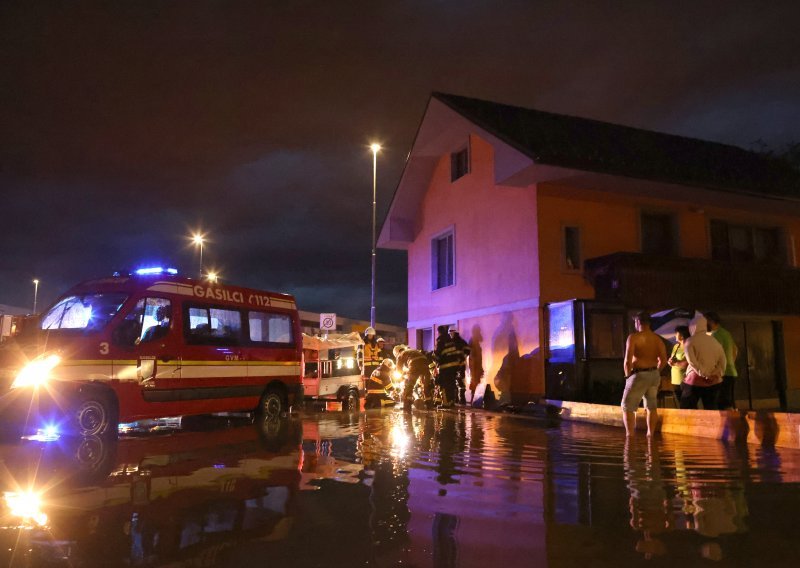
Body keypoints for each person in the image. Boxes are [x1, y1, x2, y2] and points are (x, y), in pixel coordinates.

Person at [621, 312, 667, 437]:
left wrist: (627, 376)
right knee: (651, 406)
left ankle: (629, 436)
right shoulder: (657, 339)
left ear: (638, 322)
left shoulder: (633, 338)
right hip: (653, 375)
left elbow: (627, 361)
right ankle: (650, 435)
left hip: (639, 375)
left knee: (627, 406)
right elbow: (664, 359)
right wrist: (657, 371)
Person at [681, 317, 726, 410]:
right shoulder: (715, 341)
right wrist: (717, 373)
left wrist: (704, 374)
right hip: (714, 381)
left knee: (688, 410)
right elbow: (723, 361)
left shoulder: (689, 341)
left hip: (694, 382)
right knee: (711, 409)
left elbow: (692, 362)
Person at [705, 312, 739, 410]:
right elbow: (735, 350)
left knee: (722, 404)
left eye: (705, 322)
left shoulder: (716, 336)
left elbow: (713, 355)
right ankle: (734, 423)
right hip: (730, 372)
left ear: (711, 321)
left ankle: (729, 424)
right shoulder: (726, 333)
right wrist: (730, 363)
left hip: (722, 373)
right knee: (728, 402)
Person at [396, 345, 434, 412]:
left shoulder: (400, 354)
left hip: (414, 365)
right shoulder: (413, 351)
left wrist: (400, 377)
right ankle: (429, 405)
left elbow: (398, 369)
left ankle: (407, 406)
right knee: (426, 385)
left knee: (409, 386)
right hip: (425, 364)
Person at [668, 325, 690, 401]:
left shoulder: (688, 346)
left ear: (682, 335)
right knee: (680, 403)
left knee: (686, 404)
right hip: (675, 379)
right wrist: (670, 361)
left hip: (684, 379)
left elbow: (688, 364)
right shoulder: (676, 346)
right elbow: (674, 359)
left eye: (676, 333)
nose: (675, 335)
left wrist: (675, 363)